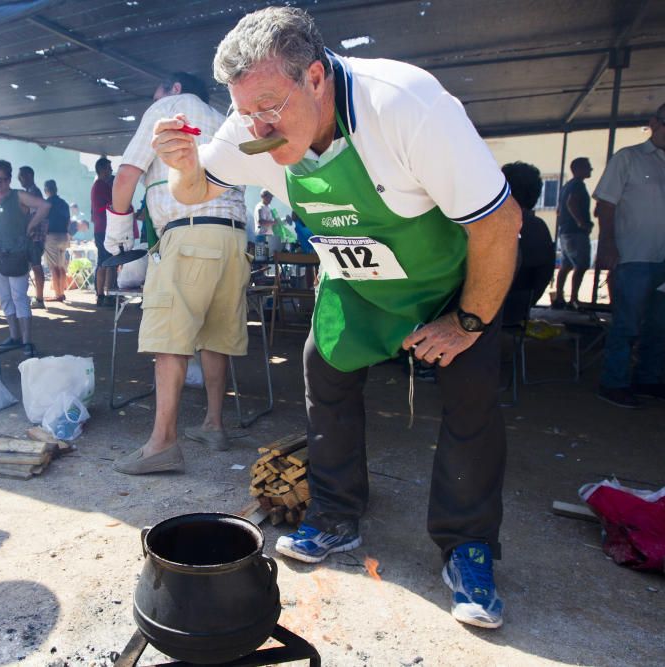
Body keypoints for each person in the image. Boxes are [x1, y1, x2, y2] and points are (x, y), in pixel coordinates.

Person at [152, 7, 521, 629]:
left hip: (447, 283)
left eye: (271, 105)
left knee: (471, 396)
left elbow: (497, 222)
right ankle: (336, 515)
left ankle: (468, 547)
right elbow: (193, 190)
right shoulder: (255, 127)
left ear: (317, 77)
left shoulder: (405, 104)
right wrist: (183, 164)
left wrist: (467, 322)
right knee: (324, 369)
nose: (258, 126)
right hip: (358, 285)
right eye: (246, 111)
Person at [108, 72, 249, 476]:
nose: (149, 98)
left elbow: (127, 174)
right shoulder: (224, 119)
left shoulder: (166, 108)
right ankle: (213, 425)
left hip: (188, 233)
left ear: (173, 88)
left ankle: (163, 443)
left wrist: (116, 231)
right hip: (234, 238)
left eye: (155, 89)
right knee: (216, 335)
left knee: (170, 337)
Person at [592, 104, 665, 408]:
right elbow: (605, 205)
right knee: (627, 324)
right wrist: (608, 244)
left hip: (663, 259)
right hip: (634, 256)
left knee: (659, 325)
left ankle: (649, 379)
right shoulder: (628, 158)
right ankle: (614, 382)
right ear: (654, 123)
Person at [0, 160, 50, 348]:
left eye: (2, 179)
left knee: (19, 296)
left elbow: (44, 206)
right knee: (5, 297)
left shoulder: (18, 196)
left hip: (16, 254)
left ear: (9, 179)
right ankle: (14, 336)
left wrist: (31, 224)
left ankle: (26, 340)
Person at [502, 162, 555, 319]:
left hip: (480, 313)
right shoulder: (539, 227)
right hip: (521, 308)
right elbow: (546, 271)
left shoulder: (491, 226)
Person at [553, 157, 594, 309]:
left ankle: (559, 298)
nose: (591, 169)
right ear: (578, 169)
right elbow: (571, 203)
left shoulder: (566, 186)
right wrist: (581, 222)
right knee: (581, 265)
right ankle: (574, 300)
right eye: (588, 167)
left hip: (565, 232)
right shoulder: (577, 185)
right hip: (576, 233)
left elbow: (559, 210)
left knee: (566, 265)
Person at [18, 165, 46, 308]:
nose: (19, 178)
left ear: (29, 176)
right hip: (34, 236)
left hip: (34, 237)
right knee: (34, 267)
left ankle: (40, 299)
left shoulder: (33, 193)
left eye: (21, 175)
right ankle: (38, 298)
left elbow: (33, 216)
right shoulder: (32, 192)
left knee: (36, 266)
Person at [91, 157, 115, 306]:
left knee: (106, 261)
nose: (111, 171)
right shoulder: (101, 186)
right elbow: (109, 205)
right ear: (102, 169)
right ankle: (102, 295)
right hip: (104, 228)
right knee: (105, 261)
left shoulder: (100, 185)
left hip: (103, 228)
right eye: (109, 168)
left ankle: (105, 294)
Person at [42, 179, 71, 302]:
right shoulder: (64, 203)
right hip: (64, 236)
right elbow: (68, 221)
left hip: (51, 237)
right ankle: (62, 292)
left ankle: (58, 294)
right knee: (61, 266)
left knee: (54, 267)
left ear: (46, 190)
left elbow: (45, 222)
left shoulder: (46, 203)